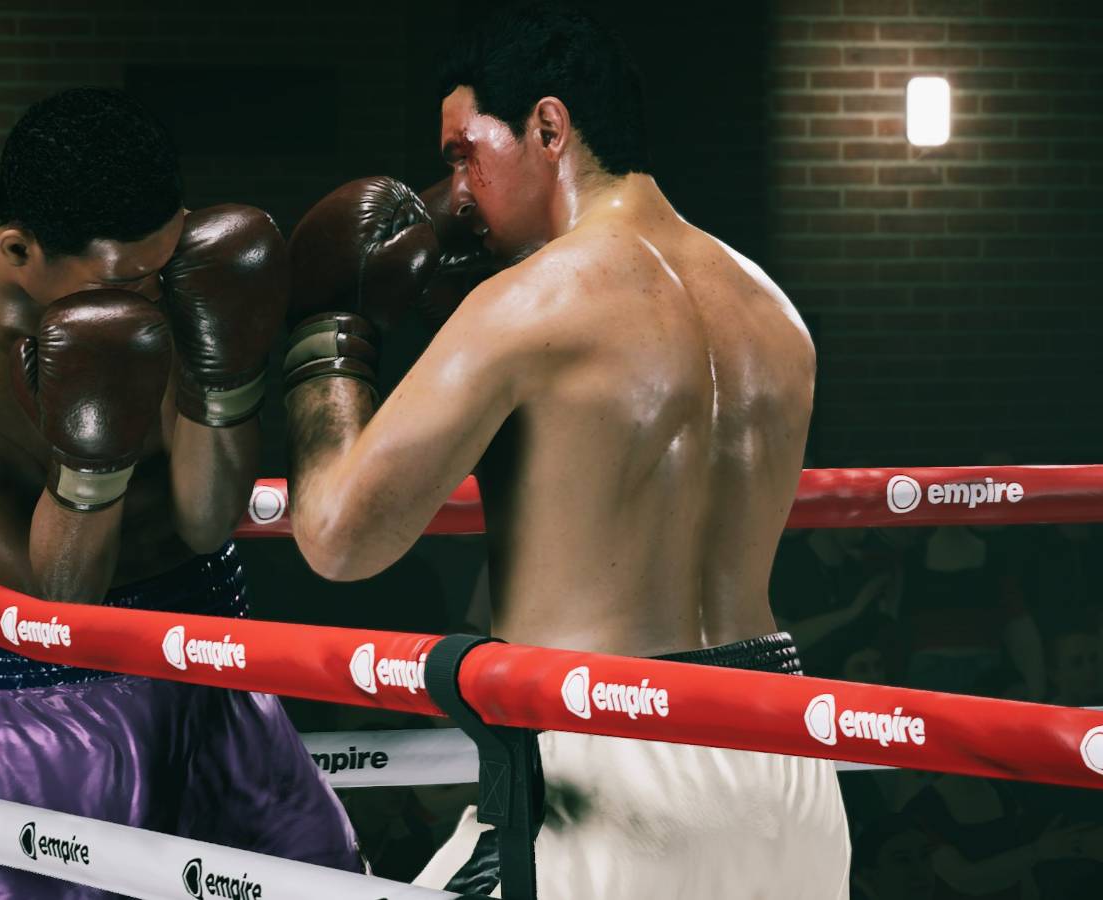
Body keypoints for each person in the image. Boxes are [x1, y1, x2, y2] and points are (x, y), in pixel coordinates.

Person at [282, 5, 847, 896]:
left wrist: (324, 340)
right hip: (786, 756)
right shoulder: (775, 312)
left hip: (606, 759)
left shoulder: (528, 305)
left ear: (549, 127)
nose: (456, 194)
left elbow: (340, 538)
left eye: (464, 152)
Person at [0, 87, 358, 897]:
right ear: (20, 252)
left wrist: (220, 380)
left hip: (214, 649)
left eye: (167, 260)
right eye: (130, 280)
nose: (154, 291)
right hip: (54, 708)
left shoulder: (152, 269)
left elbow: (205, 521)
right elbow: (55, 605)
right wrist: (90, 460)